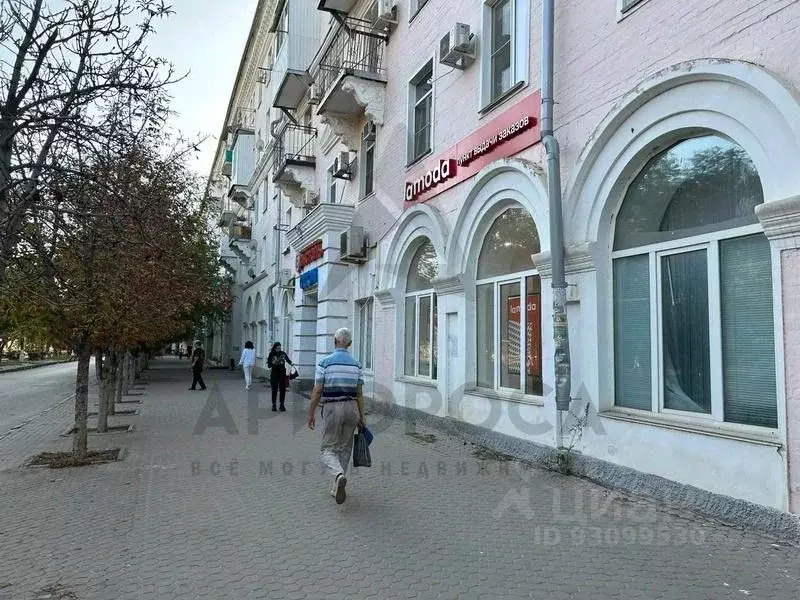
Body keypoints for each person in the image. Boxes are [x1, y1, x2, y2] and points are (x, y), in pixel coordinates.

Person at [306, 328, 365, 505]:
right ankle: (336, 486)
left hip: (332, 408)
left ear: (334, 341)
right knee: (345, 448)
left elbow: (317, 391)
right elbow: (360, 393)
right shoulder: (356, 364)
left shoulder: (325, 363)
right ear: (350, 344)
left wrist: (311, 413)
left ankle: (338, 475)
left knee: (327, 449)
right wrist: (363, 417)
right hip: (352, 408)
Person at [267, 342, 293, 412]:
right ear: (275, 348)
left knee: (282, 389)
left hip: (282, 373)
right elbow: (269, 365)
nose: (279, 349)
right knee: (274, 390)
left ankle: (282, 404)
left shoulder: (283, 353)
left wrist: (291, 363)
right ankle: (274, 405)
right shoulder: (271, 354)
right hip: (274, 374)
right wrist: (274, 362)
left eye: (280, 348)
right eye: (277, 348)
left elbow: (287, 360)